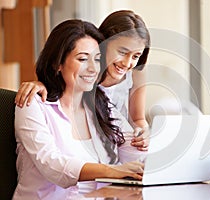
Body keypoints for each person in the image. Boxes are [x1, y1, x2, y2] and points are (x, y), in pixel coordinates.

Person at [13, 19, 144, 199]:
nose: (92, 68)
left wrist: (143, 143)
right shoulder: (34, 104)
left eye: (97, 59)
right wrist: (112, 171)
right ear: (57, 63)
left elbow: (133, 154)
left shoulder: (102, 105)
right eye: (82, 59)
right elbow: (52, 165)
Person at [14, 10, 151, 151]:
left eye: (136, 56)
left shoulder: (135, 74)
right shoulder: (87, 74)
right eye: (122, 52)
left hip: (118, 139)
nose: (127, 63)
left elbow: (138, 118)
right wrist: (40, 84)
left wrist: (143, 132)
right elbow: (60, 86)